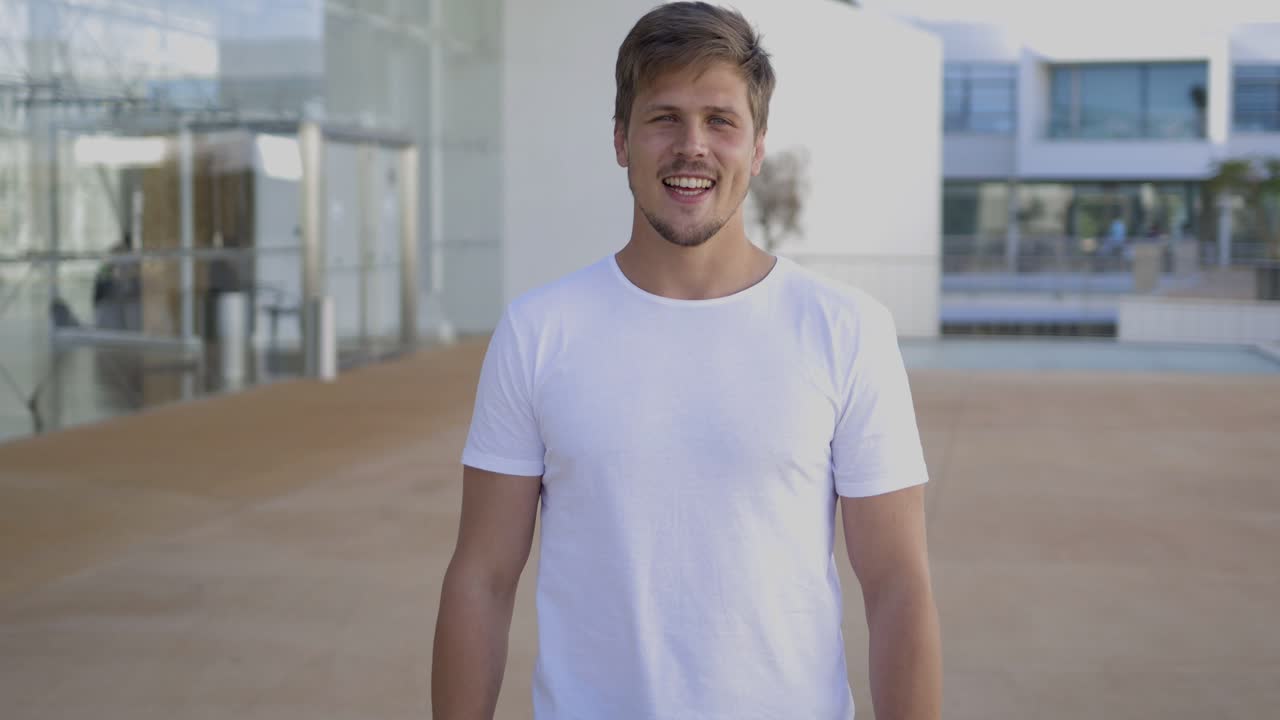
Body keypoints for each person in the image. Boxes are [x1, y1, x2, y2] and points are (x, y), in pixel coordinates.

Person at [432, 4, 941, 719]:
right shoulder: (539, 331)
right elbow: (481, 580)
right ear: (621, 140)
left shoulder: (846, 330)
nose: (692, 146)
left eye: (721, 121)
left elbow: (897, 586)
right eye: (664, 117)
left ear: (757, 146)